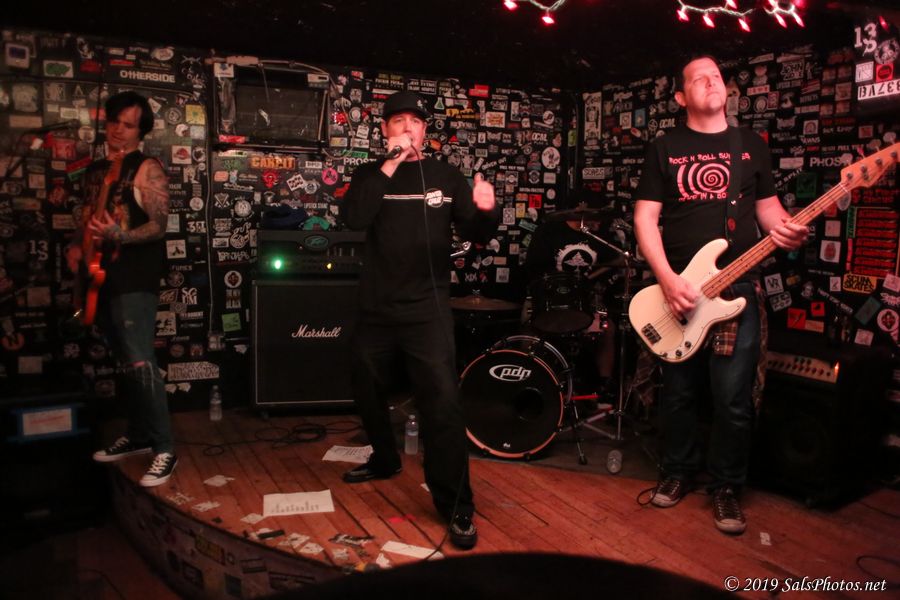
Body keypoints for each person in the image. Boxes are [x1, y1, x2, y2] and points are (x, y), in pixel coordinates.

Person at [633, 56, 807, 534]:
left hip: (737, 288)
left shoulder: (749, 145)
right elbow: (645, 218)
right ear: (680, 97)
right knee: (678, 393)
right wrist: (668, 280)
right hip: (679, 291)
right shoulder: (664, 147)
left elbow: (769, 212)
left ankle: (727, 487)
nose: (712, 82)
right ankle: (676, 472)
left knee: (733, 399)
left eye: (717, 76)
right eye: (699, 78)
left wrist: (789, 230)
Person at [341, 90, 499, 550]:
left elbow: (476, 231)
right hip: (375, 307)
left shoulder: (445, 175)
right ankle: (385, 458)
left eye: (416, 121)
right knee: (366, 387)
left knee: (443, 406)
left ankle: (457, 506)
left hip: (426, 311)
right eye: (399, 121)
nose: (408, 127)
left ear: (426, 130)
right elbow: (354, 218)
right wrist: (390, 164)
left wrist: (487, 210)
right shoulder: (369, 174)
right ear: (385, 130)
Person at [65, 91, 176, 487]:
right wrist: (76, 246)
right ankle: (139, 434)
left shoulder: (147, 168)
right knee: (125, 361)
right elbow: (88, 220)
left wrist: (121, 235)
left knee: (140, 360)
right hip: (101, 277)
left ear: (140, 131)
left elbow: (158, 226)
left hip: (134, 276)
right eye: (114, 121)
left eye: (128, 125)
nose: (118, 130)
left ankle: (164, 448)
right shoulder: (95, 170)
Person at [524, 213, 620, 397]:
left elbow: (616, 262)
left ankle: (603, 387)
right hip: (549, 300)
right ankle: (527, 383)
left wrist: (593, 287)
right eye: (594, 218)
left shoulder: (599, 236)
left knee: (608, 329)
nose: (597, 223)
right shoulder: (549, 231)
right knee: (528, 330)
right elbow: (533, 269)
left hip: (585, 301)